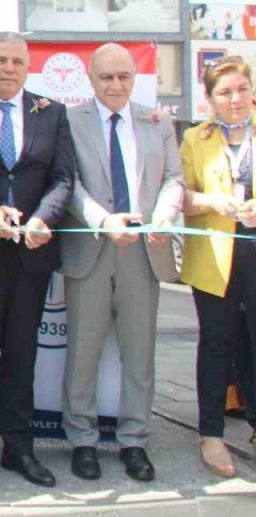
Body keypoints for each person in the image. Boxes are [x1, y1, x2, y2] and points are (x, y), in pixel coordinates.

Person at [0, 32, 74, 490]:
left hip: (31, 255)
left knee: (23, 355)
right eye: (1, 60)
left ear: (28, 67)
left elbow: (63, 178)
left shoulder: (51, 112)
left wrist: (44, 218)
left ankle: (19, 448)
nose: (9, 68)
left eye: (18, 62)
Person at [62, 43, 183, 483]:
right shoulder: (69, 120)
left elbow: (173, 178)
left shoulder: (157, 121)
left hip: (142, 251)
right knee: (83, 351)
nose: (116, 85)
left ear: (135, 77)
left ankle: (134, 440)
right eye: (107, 77)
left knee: (139, 352)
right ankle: (82, 440)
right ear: (90, 79)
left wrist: (165, 215)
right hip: (92, 247)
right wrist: (102, 219)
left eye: (124, 77)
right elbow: (68, 182)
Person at [177, 56, 255, 478]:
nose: (235, 98)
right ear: (209, 99)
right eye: (224, 92)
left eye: (242, 89)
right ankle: (211, 433)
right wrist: (213, 202)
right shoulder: (195, 139)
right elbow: (182, 196)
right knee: (217, 343)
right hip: (214, 258)